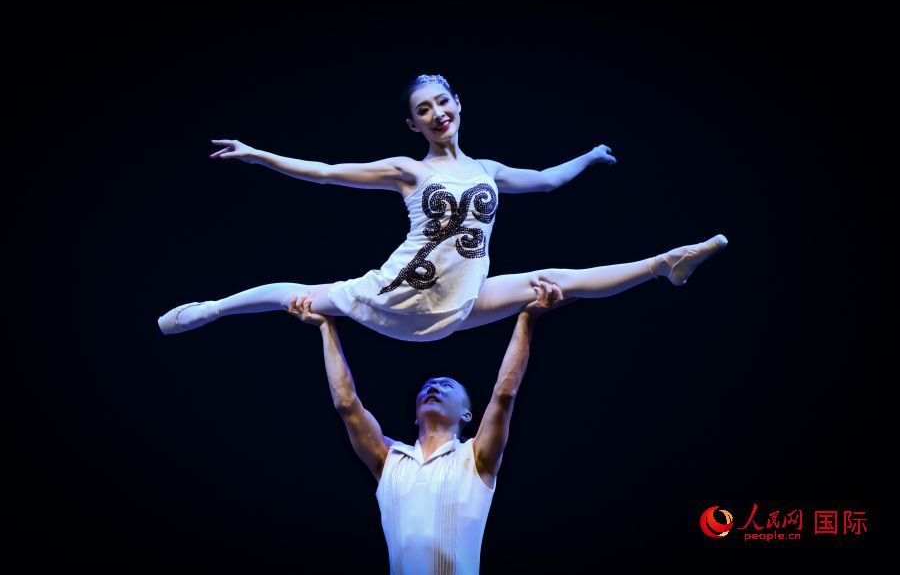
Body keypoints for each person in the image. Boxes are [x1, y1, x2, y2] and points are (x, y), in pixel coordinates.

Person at [158, 73, 728, 342]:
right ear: (413, 124)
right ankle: (211, 309)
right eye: (423, 110)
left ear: (457, 103)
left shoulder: (488, 171)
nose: (435, 113)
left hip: (461, 299)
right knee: (299, 293)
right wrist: (258, 154)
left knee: (555, 278)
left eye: (441, 101)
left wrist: (590, 155)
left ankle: (666, 264)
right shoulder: (409, 170)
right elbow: (327, 172)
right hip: (399, 292)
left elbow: (547, 182)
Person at [287, 280, 570, 574]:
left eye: (446, 385)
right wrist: (326, 327)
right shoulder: (389, 459)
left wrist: (527, 317)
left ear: (467, 414)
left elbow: (504, 393)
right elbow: (347, 404)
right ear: (415, 415)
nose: (434, 387)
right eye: (427, 386)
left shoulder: (475, 458)